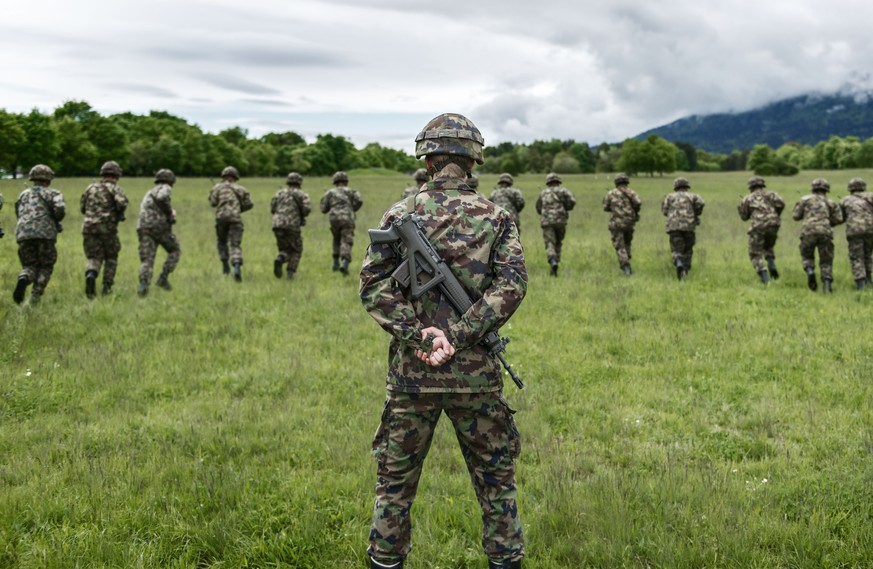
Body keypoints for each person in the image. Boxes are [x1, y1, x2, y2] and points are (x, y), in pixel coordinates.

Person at [360, 113, 527, 569]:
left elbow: (374, 288)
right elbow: (511, 287)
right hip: (476, 380)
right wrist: (458, 336)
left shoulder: (401, 214)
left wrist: (421, 337)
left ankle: (386, 561)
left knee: (394, 485)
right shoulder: (497, 216)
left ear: (428, 159)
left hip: (414, 377)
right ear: (473, 160)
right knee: (496, 484)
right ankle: (506, 561)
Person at [13, 164, 65, 304]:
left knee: (29, 265)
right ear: (48, 179)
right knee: (46, 266)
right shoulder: (54, 193)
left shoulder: (23, 194)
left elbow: (18, 212)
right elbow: (60, 210)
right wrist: (56, 220)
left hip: (24, 234)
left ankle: (24, 277)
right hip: (45, 234)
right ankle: (34, 298)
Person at [80, 160, 129, 297]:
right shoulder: (115, 189)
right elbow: (122, 203)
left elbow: (82, 208)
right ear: (117, 175)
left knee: (93, 256)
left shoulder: (90, 188)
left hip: (88, 228)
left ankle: (91, 274)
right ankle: (106, 288)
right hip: (108, 229)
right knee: (111, 257)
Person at [792, 178, 844, 292]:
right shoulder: (830, 202)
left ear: (813, 188)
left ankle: (810, 272)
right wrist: (829, 222)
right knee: (826, 260)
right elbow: (839, 219)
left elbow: (795, 216)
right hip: (825, 232)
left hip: (807, 232)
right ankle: (826, 284)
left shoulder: (804, 199)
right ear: (826, 190)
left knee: (807, 256)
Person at [137, 169, 180, 297]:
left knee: (147, 259)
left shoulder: (149, 193)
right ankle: (163, 277)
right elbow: (162, 197)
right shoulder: (165, 188)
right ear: (170, 180)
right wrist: (169, 212)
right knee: (174, 250)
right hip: (159, 226)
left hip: (143, 226)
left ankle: (143, 285)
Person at [737, 175, 785, 284]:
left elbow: (744, 217)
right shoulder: (771, 194)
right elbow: (781, 203)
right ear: (762, 185)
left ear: (750, 187)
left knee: (755, 253)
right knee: (768, 246)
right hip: (774, 223)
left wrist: (740, 210)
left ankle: (765, 278)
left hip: (758, 226)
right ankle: (771, 263)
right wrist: (776, 214)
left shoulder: (747, 198)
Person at [209, 166, 253, 282]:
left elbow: (213, 203)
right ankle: (237, 267)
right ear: (235, 177)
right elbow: (249, 204)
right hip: (235, 219)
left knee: (222, 242)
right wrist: (238, 209)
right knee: (235, 244)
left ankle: (225, 266)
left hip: (221, 219)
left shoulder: (217, 187)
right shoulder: (241, 189)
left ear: (223, 176)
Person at [661, 177, 705, 280]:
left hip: (674, 227)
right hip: (689, 226)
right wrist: (696, 213)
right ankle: (685, 270)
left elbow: (664, 211)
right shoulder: (693, 196)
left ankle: (678, 261)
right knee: (688, 249)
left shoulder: (669, 196)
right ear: (687, 186)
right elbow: (701, 204)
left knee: (676, 249)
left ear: (675, 187)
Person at [320, 170, 362, 275]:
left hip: (334, 219)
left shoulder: (330, 192)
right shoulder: (352, 191)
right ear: (346, 181)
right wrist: (353, 208)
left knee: (336, 239)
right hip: (347, 218)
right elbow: (359, 200)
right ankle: (345, 262)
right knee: (346, 240)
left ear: (335, 182)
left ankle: (335, 263)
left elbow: (323, 208)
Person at [271, 172, 312, 279]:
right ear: (299, 183)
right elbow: (307, 210)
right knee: (297, 249)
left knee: (284, 249)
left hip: (277, 224)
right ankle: (290, 272)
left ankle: (280, 258)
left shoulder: (279, 193)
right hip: (292, 225)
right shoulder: (302, 194)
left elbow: (272, 208)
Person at [535, 172, 575, 276]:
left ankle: (553, 261)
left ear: (548, 182)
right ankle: (555, 263)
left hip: (547, 221)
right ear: (558, 181)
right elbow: (572, 201)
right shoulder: (563, 191)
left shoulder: (543, 193)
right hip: (561, 221)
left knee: (550, 243)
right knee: (558, 242)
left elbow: (539, 207)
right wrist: (566, 207)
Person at [602, 173, 642, 276]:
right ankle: (627, 260)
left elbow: (605, 207)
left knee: (620, 246)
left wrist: (614, 207)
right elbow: (638, 203)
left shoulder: (611, 193)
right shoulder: (631, 192)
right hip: (629, 223)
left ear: (616, 183)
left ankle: (626, 268)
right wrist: (634, 211)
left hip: (616, 223)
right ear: (627, 182)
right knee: (627, 243)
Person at [840, 177, 873, 290]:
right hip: (870, 230)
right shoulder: (871, 196)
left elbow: (841, 218)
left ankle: (861, 285)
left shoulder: (845, 200)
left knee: (856, 257)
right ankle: (869, 280)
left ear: (850, 188)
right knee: (867, 255)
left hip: (854, 231)